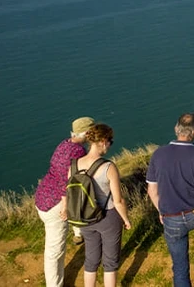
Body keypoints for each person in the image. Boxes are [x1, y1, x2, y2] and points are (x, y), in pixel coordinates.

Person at [146, 113, 194, 287]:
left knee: (180, 267)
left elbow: (152, 191)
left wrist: (161, 211)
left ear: (176, 129)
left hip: (171, 218)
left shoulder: (158, 154)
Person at [65, 123, 131, 287]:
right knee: (110, 263)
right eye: (110, 141)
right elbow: (118, 200)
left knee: (91, 260)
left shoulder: (73, 166)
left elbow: (70, 194)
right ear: (102, 141)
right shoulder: (108, 167)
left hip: (85, 218)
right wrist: (126, 219)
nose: (110, 144)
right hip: (107, 217)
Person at [35, 116, 95, 287]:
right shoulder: (78, 152)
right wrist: (64, 207)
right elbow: (66, 181)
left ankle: (78, 233)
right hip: (55, 205)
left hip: (43, 197)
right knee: (54, 252)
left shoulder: (64, 144)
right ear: (87, 133)